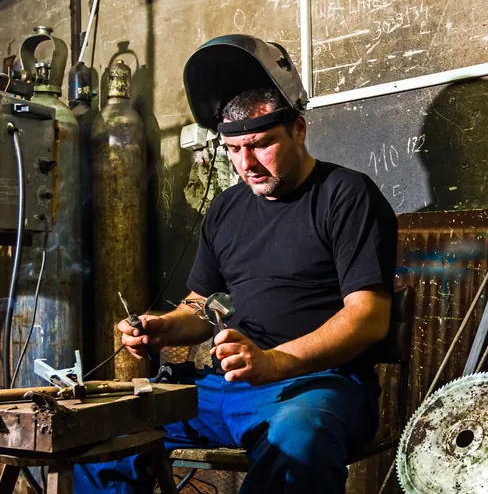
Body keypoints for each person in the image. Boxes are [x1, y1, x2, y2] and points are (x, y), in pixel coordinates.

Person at [74, 36, 398, 493]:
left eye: (261, 145)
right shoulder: (226, 208)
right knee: (103, 432)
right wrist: (163, 326)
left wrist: (274, 361)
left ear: (299, 130)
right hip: (224, 388)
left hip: (315, 386)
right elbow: (201, 305)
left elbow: (368, 317)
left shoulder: (345, 195)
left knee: (298, 442)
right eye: (233, 149)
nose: (247, 164)